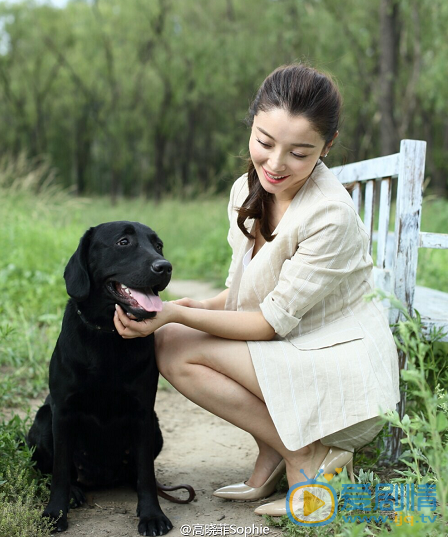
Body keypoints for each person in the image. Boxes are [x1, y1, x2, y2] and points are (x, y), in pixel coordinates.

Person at [113, 63, 400, 517]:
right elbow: (240, 294)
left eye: (300, 153)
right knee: (170, 340)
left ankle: (306, 455)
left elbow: (266, 323)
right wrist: (183, 307)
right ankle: (277, 449)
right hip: (295, 346)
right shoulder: (246, 190)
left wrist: (178, 314)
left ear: (327, 147)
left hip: (340, 370)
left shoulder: (329, 215)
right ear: (252, 125)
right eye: (265, 143)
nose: (275, 163)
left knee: (177, 342)